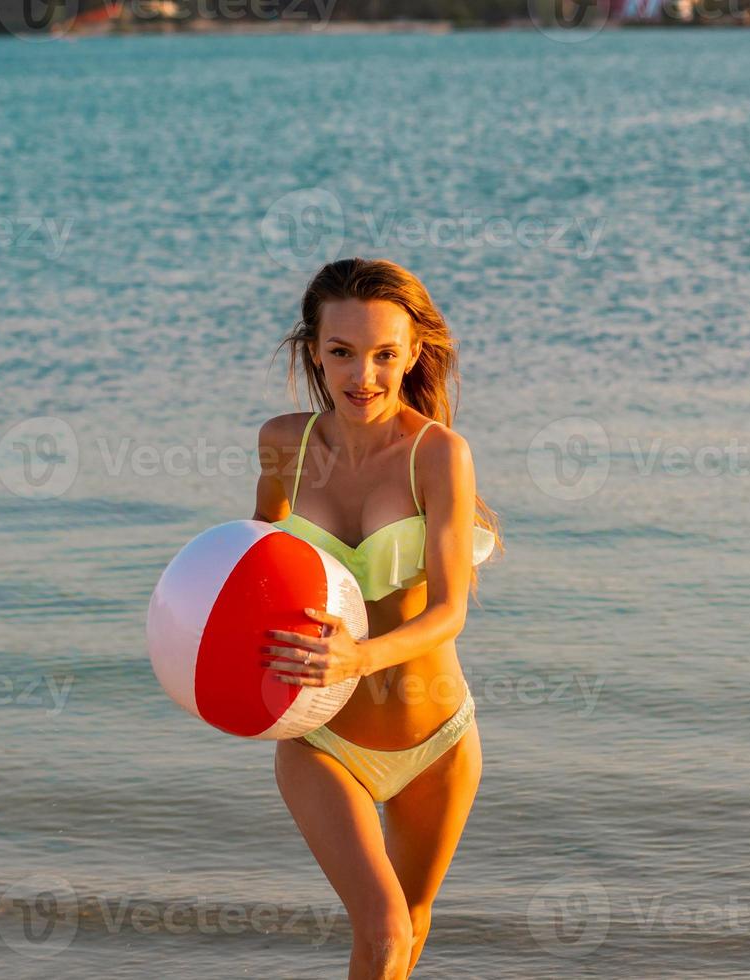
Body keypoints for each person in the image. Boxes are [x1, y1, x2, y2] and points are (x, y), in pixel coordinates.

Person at [252, 257, 503, 980]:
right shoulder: (282, 446)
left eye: (385, 355)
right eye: (342, 353)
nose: (364, 376)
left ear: (413, 353)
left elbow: (451, 610)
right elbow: (255, 570)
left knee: (411, 930)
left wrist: (360, 655)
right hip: (321, 736)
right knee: (385, 931)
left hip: (437, 738)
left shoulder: (439, 457)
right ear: (314, 352)